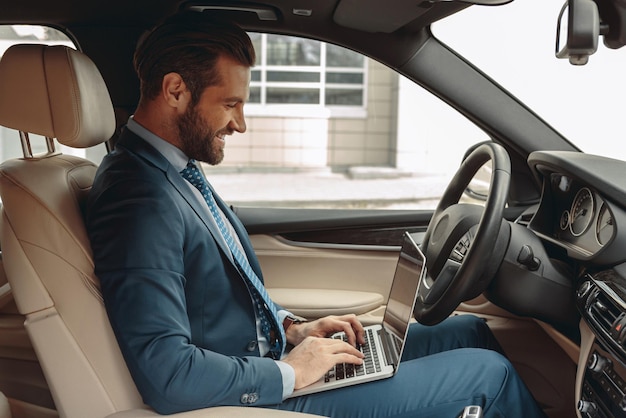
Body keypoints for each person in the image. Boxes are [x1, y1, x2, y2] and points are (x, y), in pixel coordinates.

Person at [86, 13, 546, 418]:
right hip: (251, 396)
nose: (240, 124)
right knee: (491, 377)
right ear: (175, 90)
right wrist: (291, 371)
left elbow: (211, 294)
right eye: (230, 104)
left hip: (266, 359)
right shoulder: (137, 198)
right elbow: (168, 374)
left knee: (469, 332)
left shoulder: (170, 170)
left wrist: (291, 329)